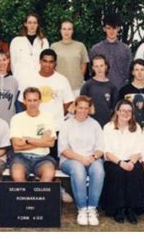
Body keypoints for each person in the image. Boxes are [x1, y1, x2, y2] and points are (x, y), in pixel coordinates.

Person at [17, 49, 74, 202]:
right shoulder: (29, 78)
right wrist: (34, 118)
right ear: (40, 61)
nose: (48, 65)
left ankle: (57, 187)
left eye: (51, 61)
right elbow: (23, 101)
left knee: (53, 160)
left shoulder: (62, 80)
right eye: (45, 61)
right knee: (34, 155)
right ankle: (33, 185)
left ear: (55, 63)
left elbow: (68, 102)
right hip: (33, 127)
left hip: (55, 127)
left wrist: (53, 117)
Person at [58, 96, 105, 226]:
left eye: (86, 108)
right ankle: (82, 209)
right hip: (70, 160)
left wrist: (93, 158)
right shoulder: (67, 124)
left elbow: (100, 148)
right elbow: (63, 149)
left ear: (89, 109)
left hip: (91, 159)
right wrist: (81, 159)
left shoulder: (95, 124)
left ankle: (92, 208)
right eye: (80, 107)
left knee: (99, 170)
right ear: (75, 107)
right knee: (78, 170)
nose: (83, 111)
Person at [101, 99, 144, 224]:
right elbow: (107, 152)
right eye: (123, 111)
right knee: (117, 173)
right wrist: (121, 163)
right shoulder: (108, 127)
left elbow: (139, 149)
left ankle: (130, 209)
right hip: (114, 161)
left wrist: (131, 162)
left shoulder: (136, 127)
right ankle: (118, 209)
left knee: (135, 172)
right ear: (117, 111)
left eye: (129, 111)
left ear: (132, 113)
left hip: (131, 159)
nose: (125, 113)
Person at [9, 87, 56, 182]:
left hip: (43, 158)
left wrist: (28, 140)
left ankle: (39, 197)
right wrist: (41, 141)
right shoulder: (17, 118)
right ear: (24, 101)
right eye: (29, 100)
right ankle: (26, 197)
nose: (32, 103)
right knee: (17, 175)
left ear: (40, 101)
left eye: (35, 100)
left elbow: (50, 144)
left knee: (49, 174)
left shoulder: (48, 117)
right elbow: (16, 146)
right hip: (21, 157)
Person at [89, 14, 132, 90]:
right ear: (104, 29)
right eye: (108, 28)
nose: (111, 31)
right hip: (100, 88)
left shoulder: (125, 49)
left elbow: (128, 72)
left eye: (114, 28)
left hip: (120, 89)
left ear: (118, 28)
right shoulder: (96, 49)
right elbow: (91, 71)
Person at [10, 12, 50, 89]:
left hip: (39, 81)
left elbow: (46, 62)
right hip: (21, 82)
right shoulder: (16, 41)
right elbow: (13, 64)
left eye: (35, 23)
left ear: (38, 25)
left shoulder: (44, 41)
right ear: (25, 24)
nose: (32, 25)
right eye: (30, 22)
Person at [51, 19, 89, 97]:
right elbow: (51, 65)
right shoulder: (54, 46)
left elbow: (83, 65)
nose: (66, 32)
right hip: (59, 86)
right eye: (64, 29)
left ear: (73, 31)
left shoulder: (80, 46)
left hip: (76, 87)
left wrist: (78, 78)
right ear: (60, 31)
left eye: (69, 29)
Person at [80, 55, 119, 128]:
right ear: (92, 67)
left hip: (106, 124)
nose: (99, 69)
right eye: (96, 66)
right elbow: (81, 105)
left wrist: (111, 124)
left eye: (101, 65)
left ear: (106, 66)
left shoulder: (112, 87)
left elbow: (115, 109)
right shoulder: (87, 85)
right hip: (89, 125)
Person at [119, 59, 144, 128]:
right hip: (128, 127)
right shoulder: (124, 90)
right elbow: (118, 110)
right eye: (137, 70)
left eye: (142, 70)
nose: (139, 72)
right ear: (132, 72)